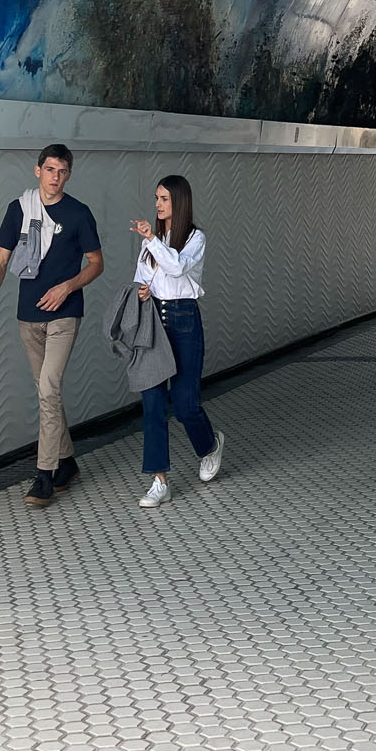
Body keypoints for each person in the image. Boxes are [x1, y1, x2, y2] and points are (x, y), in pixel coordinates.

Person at [0, 143, 103, 508]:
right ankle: (67, 463)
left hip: (65, 314)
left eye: (62, 171)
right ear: (38, 171)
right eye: (50, 169)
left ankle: (44, 475)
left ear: (69, 174)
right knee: (47, 393)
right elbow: (1, 260)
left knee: (48, 388)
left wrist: (67, 286)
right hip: (28, 315)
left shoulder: (79, 213)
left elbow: (96, 263)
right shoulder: (19, 209)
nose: (55, 177)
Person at [131, 174, 225, 507]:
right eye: (156, 198)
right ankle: (159, 481)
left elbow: (176, 268)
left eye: (164, 199)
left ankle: (209, 446)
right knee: (153, 403)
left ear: (179, 202)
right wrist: (142, 290)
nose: (157, 204)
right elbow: (142, 276)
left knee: (185, 404)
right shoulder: (150, 241)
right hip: (155, 320)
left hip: (184, 320)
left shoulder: (195, 238)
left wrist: (153, 240)